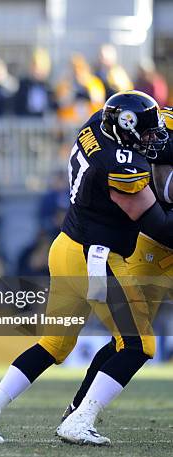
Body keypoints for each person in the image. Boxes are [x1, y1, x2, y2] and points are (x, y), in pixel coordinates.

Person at [0, 90, 173, 446]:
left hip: (66, 248)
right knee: (139, 346)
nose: (153, 139)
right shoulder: (123, 167)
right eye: (146, 132)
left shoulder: (96, 126)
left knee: (54, 344)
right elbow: (162, 227)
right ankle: (80, 419)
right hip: (96, 259)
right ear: (125, 129)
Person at [61, 106, 173, 423]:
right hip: (149, 244)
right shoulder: (159, 125)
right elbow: (157, 222)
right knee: (129, 341)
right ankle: (77, 413)